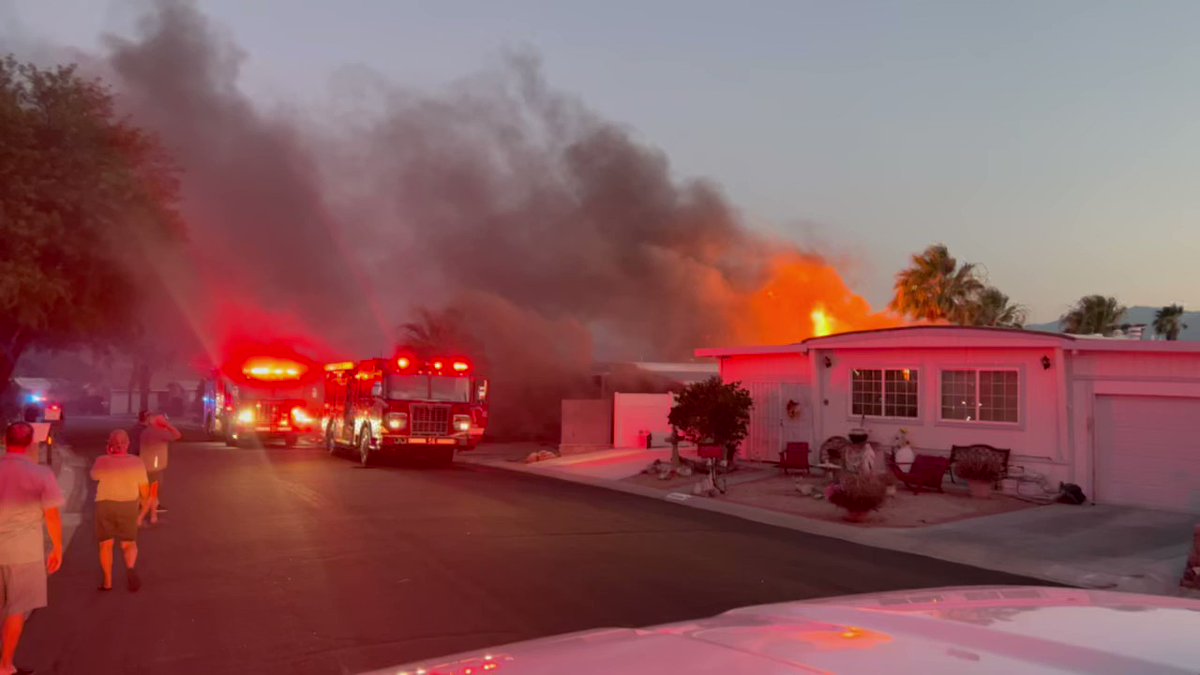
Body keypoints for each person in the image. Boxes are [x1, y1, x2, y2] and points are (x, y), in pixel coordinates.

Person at [0, 422, 64, 675]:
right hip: (24, 552)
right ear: (30, 443)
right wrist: (57, 548)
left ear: (5, 440)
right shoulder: (41, 474)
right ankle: (5, 665)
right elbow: (52, 516)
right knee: (17, 609)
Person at [90, 430, 150, 592]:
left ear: (110, 445)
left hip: (105, 504)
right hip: (128, 505)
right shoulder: (137, 462)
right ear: (128, 444)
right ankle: (130, 568)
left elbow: (94, 476)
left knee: (106, 545)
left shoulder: (101, 460)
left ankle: (108, 582)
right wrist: (144, 505)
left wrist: (107, 455)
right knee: (129, 543)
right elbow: (145, 490)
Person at [139, 413, 180, 522]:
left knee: (150, 493)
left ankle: (152, 515)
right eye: (162, 419)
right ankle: (143, 517)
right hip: (154, 467)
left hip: (146, 465)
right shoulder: (158, 432)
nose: (164, 420)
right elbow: (177, 435)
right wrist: (167, 425)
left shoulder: (147, 431)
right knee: (153, 492)